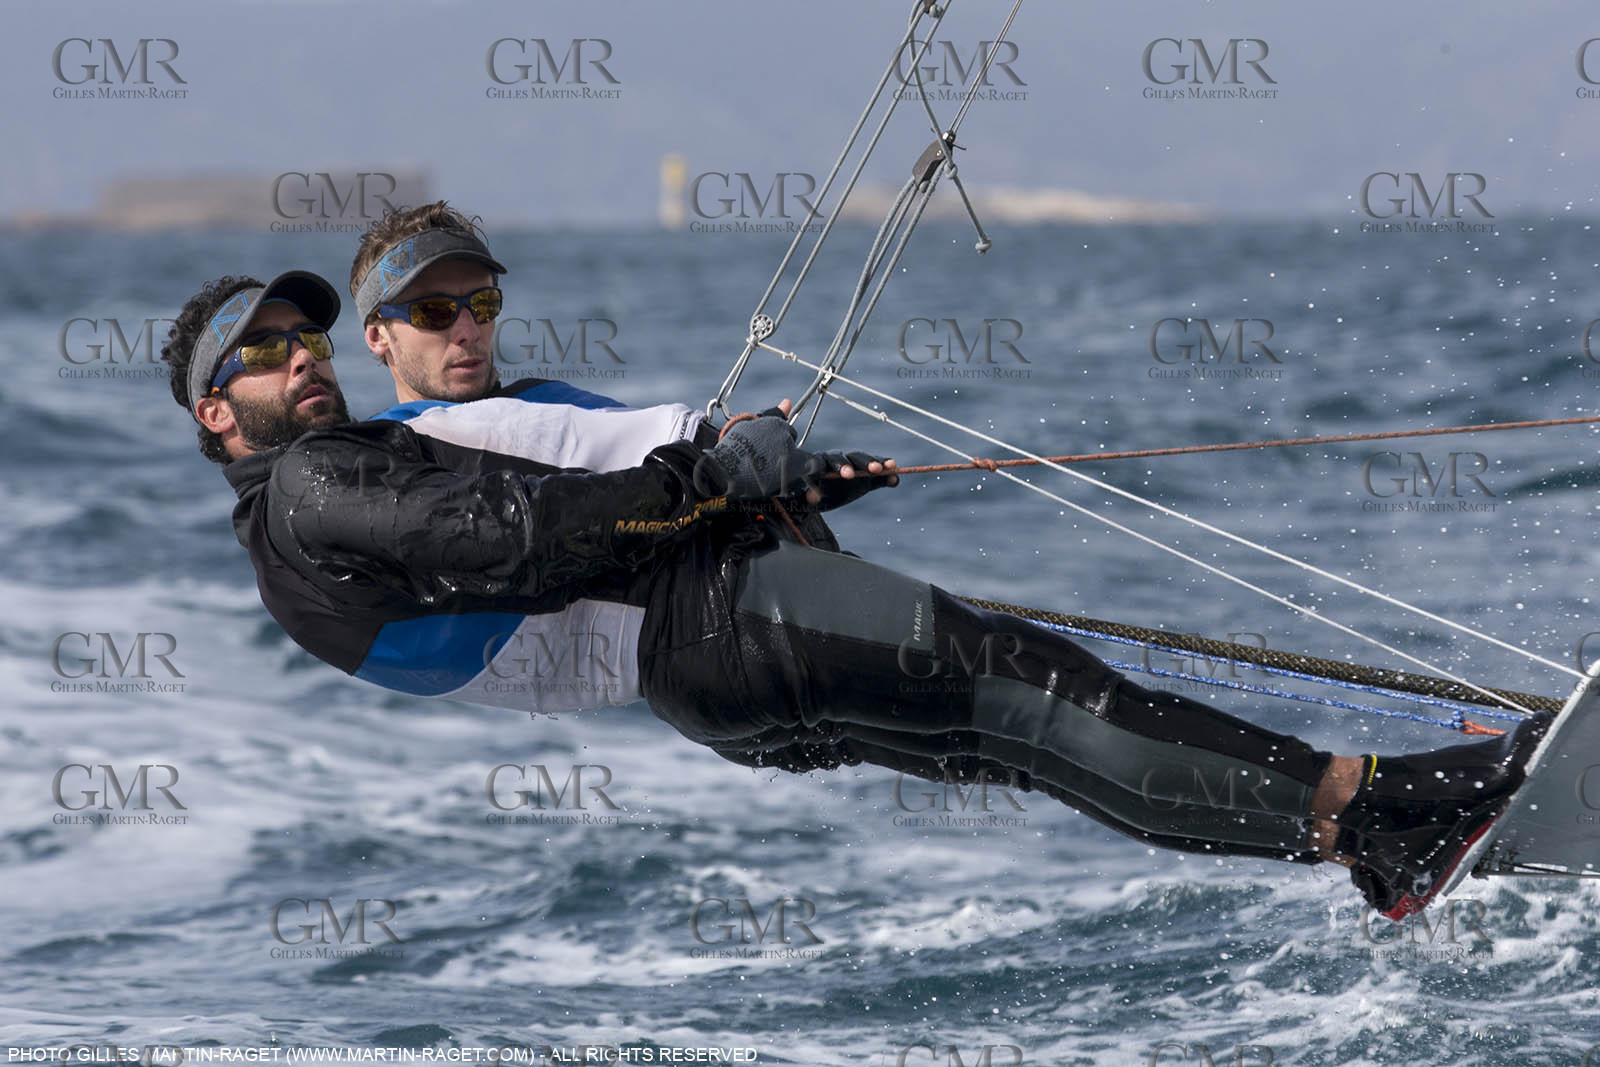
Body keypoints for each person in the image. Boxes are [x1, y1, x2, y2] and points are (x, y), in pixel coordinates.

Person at [162, 230, 1546, 923]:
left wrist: (778, 485)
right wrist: (719, 480)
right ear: (218, 417)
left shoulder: (297, 535)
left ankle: (1367, 848)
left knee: (1032, 740)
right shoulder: (311, 485)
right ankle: (1380, 817)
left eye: (306, 337)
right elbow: (533, 541)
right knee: (1039, 689)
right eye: (269, 355)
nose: (305, 359)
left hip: (705, 685)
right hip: (724, 619)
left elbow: (536, 541)